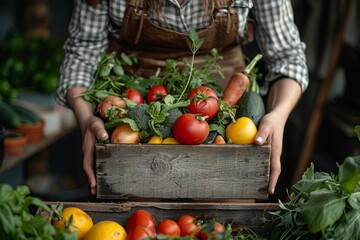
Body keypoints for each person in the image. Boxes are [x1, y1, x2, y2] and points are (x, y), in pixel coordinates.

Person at [55, 0, 308, 196]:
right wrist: (86, 117)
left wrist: (278, 114)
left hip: (227, 130)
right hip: (134, 124)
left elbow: (288, 58)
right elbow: (82, 52)